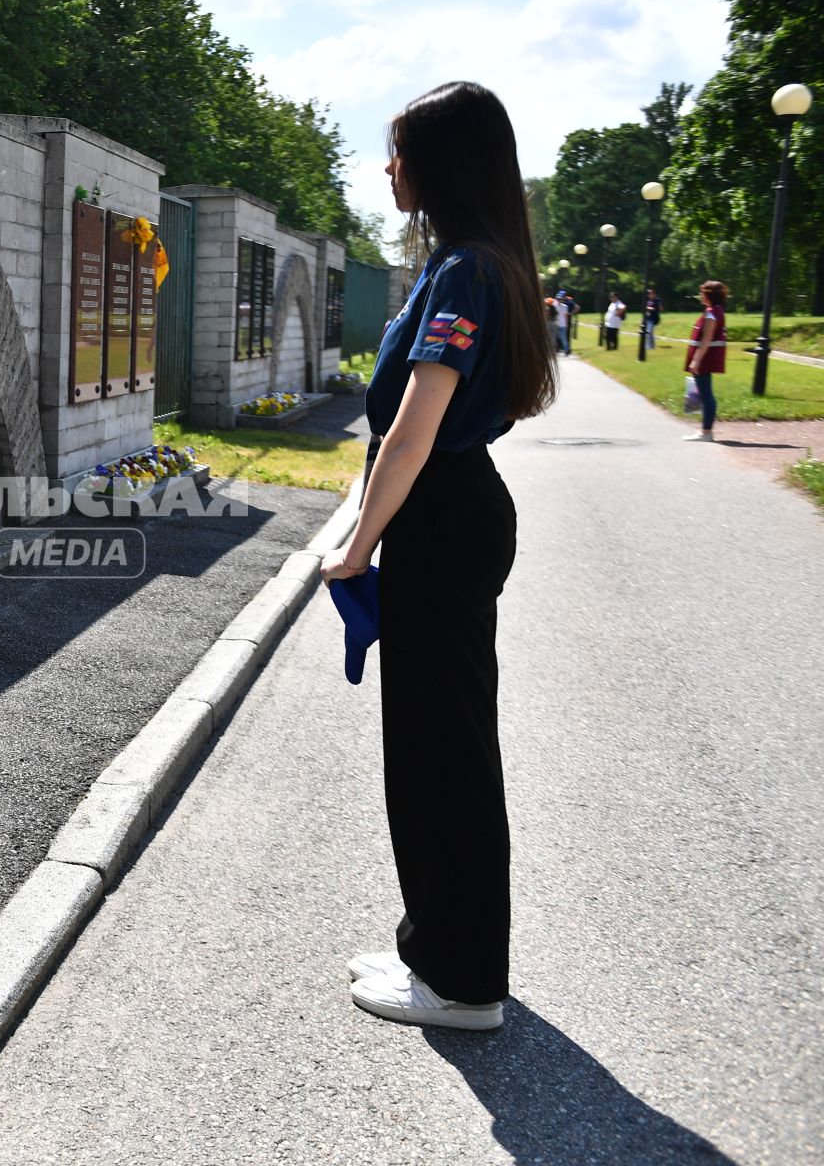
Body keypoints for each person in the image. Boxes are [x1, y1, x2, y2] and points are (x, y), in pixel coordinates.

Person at [323, 80, 558, 1031]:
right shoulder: (479, 263)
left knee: (440, 754)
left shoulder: (464, 271)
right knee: (440, 746)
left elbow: (410, 437)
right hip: (456, 518)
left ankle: (459, 984)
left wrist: (354, 547)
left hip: (441, 522)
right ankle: (443, 950)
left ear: (438, 164)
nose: (388, 168)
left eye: (400, 150)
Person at [684, 280, 727, 441]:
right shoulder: (716, 311)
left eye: (702, 293)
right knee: (706, 394)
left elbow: (707, 339)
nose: (700, 296)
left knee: (706, 395)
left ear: (709, 295)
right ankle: (706, 431)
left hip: (705, 359)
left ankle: (706, 433)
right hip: (707, 358)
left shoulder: (711, 314)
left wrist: (696, 360)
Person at [552, 289, 572, 355]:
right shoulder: (565, 307)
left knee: (555, 337)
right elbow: (566, 316)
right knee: (563, 338)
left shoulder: (555, 306)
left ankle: (558, 350)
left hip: (557, 324)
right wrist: (566, 324)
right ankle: (566, 349)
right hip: (562, 324)